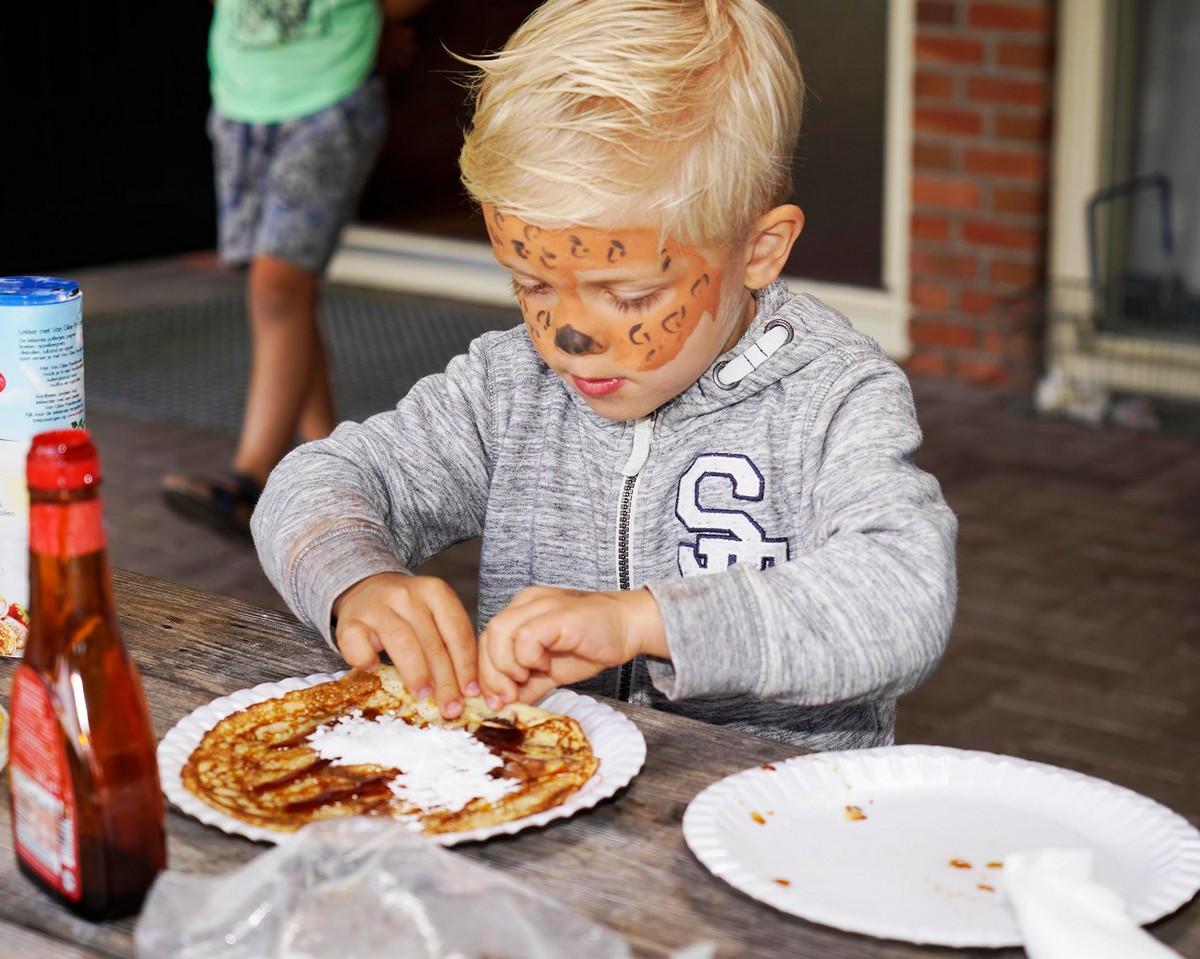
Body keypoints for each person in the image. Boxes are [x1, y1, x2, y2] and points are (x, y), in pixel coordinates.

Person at [252, 0, 958, 750]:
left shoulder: (833, 397)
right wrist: (358, 581)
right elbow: (316, 481)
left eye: (629, 296)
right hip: (551, 815)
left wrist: (643, 621)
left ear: (760, 250)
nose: (569, 337)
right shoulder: (509, 387)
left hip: (778, 824)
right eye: (532, 284)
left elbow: (902, 595)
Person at [163, 0, 432, 536]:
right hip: (242, 99)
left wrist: (379, 15)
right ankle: (332, 479)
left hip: (328, 97)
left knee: (277, 287)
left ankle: (250, 482)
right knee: (285, 297)